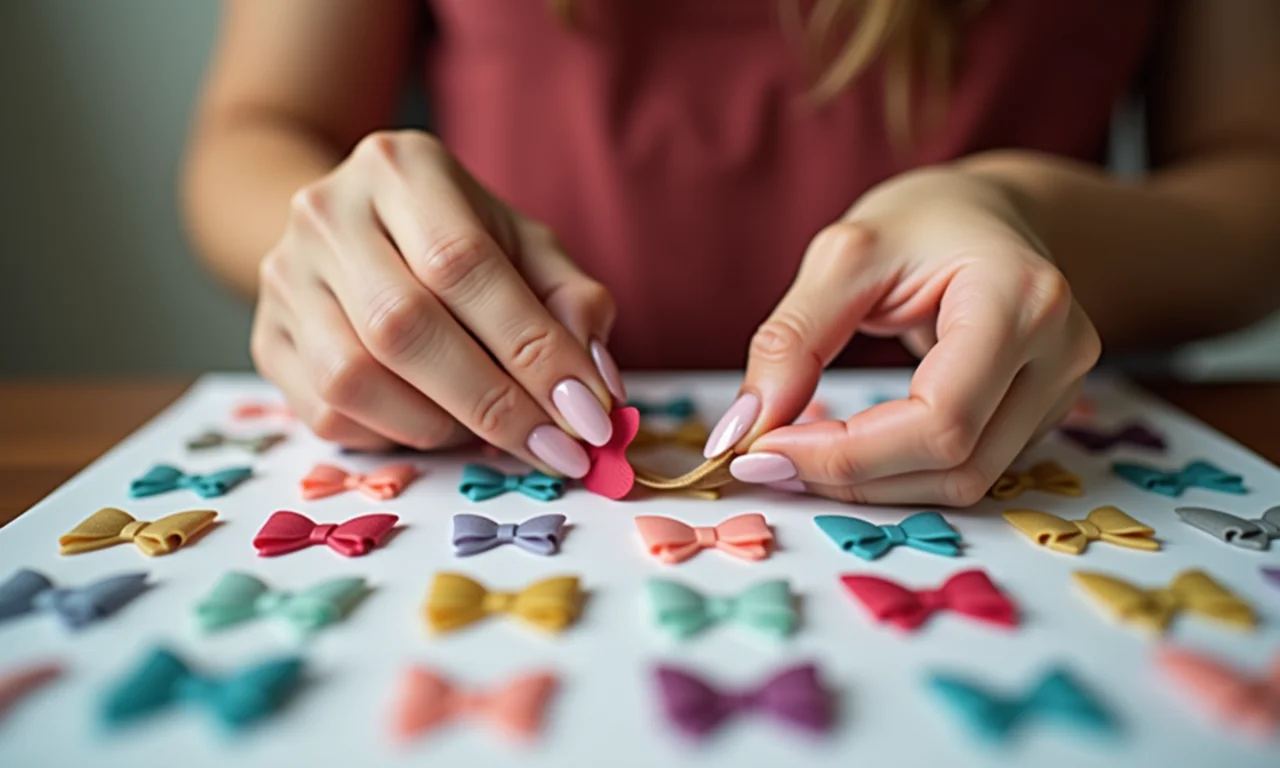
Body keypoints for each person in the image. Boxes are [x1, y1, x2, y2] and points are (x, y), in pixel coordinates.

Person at [182, 0, 1280, 506]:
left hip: (1043, 459)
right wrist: (337, 245)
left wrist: (1027, 212)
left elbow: (1251, 177)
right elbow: (258, 128)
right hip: (472, 441)